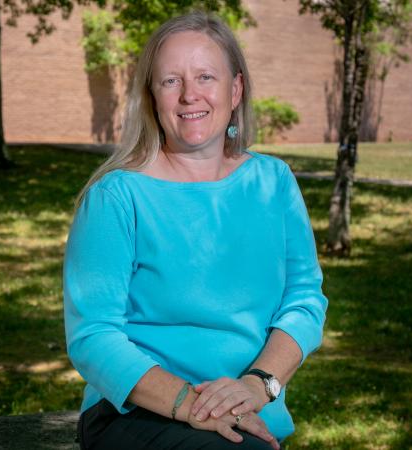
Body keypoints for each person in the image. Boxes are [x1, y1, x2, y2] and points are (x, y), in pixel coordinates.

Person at [63, 11, 328, 450]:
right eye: (171, 81)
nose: (190, 95)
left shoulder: (273, 182)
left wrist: (258, 385)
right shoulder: (117, 196)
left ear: (235, 89)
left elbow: (304, 299)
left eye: (206, 76)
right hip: (138, 412)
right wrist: (191, 403)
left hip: (249, 409)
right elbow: (93, 337)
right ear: (152, 95)